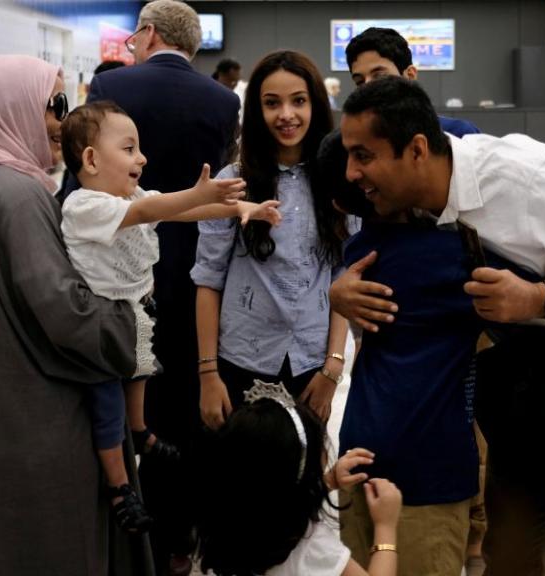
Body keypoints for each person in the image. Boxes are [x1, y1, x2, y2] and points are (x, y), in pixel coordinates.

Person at [331, 77, 545, 576]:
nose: (352, 172)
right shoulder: (408, 203)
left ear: (418, 150)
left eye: (364, 156)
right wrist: (338, 290)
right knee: (509, 552)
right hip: (530, 377)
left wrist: (540, 297)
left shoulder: (519, 175)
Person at [0, 55, 144, 576]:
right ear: (9, 107)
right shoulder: (17, 194)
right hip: (38, 421)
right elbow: (66, 312)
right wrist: (132, 322)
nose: (62, 120)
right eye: (53, 104)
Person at [68, 3, 241, 570]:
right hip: (197, 269)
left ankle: (135, 524)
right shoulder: (223, 99)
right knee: (192, 399)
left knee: (120, 394)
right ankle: (185, 537)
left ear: (147, 34)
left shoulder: (112, 84)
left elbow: (83, 169)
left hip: (112, 268)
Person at [59, 101, 281, 532]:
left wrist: (239, 211)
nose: (141, 158)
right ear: (90, 160)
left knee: (143, 371)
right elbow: (149, 213)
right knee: (108, 403)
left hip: (135, 311)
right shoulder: (84, 205)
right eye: (129, 148)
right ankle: (121, 487)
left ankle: (140, 430)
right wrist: (198, 193)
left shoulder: (132, 194)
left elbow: (180, 211)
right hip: (101, 326)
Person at [193, 50, 350, 431]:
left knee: (305, 479)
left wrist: (333, 366)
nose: (286, 115)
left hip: (312, 363)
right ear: (256, 110)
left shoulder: (338, 179)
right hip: (241, 359)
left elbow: (344, 274)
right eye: (271, 103)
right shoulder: (235, 179)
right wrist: (208, 374)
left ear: (315, 103)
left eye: (298, 101)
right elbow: (208, 280)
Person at [196, 380, 402, 576]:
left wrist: (329, 481)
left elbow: (277, 497)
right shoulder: (311, 546)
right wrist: (385, 527)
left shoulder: (230, 521)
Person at [344, 27, 479, 138]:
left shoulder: (458, 134)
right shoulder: (352, 141)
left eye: (379, 76)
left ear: (410, 75)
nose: (367, 87)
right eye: (360, 82)